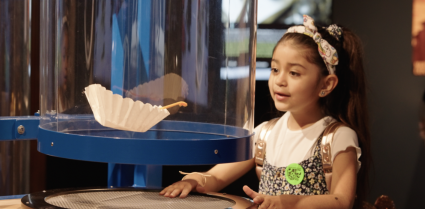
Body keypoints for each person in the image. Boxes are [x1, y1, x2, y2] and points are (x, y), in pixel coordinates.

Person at [159, 15, 370, 209]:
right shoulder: (265, 134)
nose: (279, 80)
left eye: (294, 73)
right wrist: (193, 181)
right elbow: (217, 177)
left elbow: (342, 200)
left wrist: (287, 203)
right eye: (275, 69)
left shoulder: (337, 137)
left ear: (327, 84)